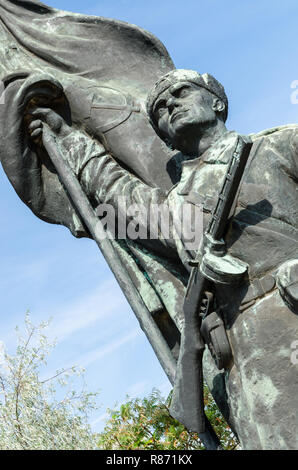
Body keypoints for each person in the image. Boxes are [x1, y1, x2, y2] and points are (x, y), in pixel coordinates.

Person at [14, 69, 298, 448]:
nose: (170, 105)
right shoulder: (175, 207)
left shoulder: (281, 145)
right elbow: (115, 190)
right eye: (161, 109)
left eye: (180, 93)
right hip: (249, 358)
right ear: (163, 135)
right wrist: (67, 137)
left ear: (217, 102)